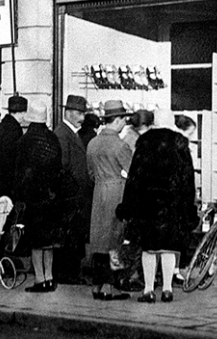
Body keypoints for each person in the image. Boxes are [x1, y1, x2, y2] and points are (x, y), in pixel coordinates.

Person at [117, 110, 197, 303]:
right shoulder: (180, 144)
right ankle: (168, 289)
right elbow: (188, 181)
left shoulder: (144, 143)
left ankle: (148, 290)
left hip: (148, 205)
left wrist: (127, 206)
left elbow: (134, 179)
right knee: (168, 249)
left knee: (148, 250)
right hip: (172, 206)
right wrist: (189, 209)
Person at [86, 100, 134, 301]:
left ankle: (97, 285)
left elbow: (89, 172)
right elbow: (133, 172)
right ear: (119, 120)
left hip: (99, 192)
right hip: (116, 192)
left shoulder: (93, 143)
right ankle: (110, 285)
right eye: (124, 120)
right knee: (115, 239)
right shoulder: (120, 145)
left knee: (98, 239)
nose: (125, 124)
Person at [16, 101, 64, 293]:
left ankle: (39, 279)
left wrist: (19, 197)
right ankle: (50, 278)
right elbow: (59, 169)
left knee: (36, 242)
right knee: (48, 242)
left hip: (33, 198)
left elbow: (20, 173)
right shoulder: (53, 139)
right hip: (52, 197)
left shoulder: (24, 142)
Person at [55, 94, 93, 284]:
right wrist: (74, 191)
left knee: (74, 236)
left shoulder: (70, 133)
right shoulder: (62, 134)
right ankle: (68, 274)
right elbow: (63, 166)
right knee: (70, 237)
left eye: (83, 113)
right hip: (71, 196)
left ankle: (71, 273)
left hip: (76, 196)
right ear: (68, 113)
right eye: (78, 113)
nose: (82, 118)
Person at [0, 94, 26, 199]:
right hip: (4, 181)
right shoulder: (15, 130)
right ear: (21, 113)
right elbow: (12, 160)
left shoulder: (1, 126)